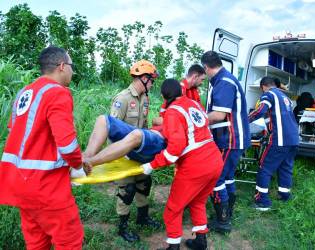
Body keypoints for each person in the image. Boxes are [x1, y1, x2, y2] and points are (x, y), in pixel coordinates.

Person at [83, 79, 223, 250]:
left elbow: (175, 149)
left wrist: (151, 165)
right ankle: (201, 241)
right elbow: (181, 126)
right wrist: (161, 123)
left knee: (173, 209)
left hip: (193, 163)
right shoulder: (193, 104)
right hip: (214, 160)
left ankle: (173, 247)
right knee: (198, 202)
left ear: (164, 96)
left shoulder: (172, 112)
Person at [0, 46, 85, 249]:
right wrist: (78, 166)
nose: (73, 72)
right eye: (72, 66)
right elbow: (67, 144)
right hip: (48, 188)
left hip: (21, 185)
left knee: (36, 243)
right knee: (69, 241)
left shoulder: (25, 92)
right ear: (62, 66)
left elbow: (18, 133)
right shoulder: (58, 93)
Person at [84, 59, 161, 242]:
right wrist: (121, 153)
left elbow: (143, 126)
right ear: (143, 78)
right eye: (151, 80)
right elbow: (111, 129)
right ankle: (122, 227)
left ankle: (143, 218)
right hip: (123, 153)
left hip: (139, 151)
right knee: (127, 189)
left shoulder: (145, 98)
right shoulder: (122, 99)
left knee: (144, 182)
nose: (152, 83)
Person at [201, 51, 251, 233]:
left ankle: (222, 222)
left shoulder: (223, 82)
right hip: (234, 139)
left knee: (216, 177)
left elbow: (218, 115)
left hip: (228, 139)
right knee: (228, 176)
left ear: (206, 67)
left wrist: (196, 121)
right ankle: (227, 213)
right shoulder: (227, 79)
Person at [248, 76, 299, 211]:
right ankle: (284, 195)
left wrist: (244, 120)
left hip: (279, 140)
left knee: (264, 167)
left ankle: (262, 201)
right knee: (285, 167)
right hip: (293, 139)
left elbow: (260, 111)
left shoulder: (268, 95)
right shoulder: (285, 97)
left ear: (263, 86)